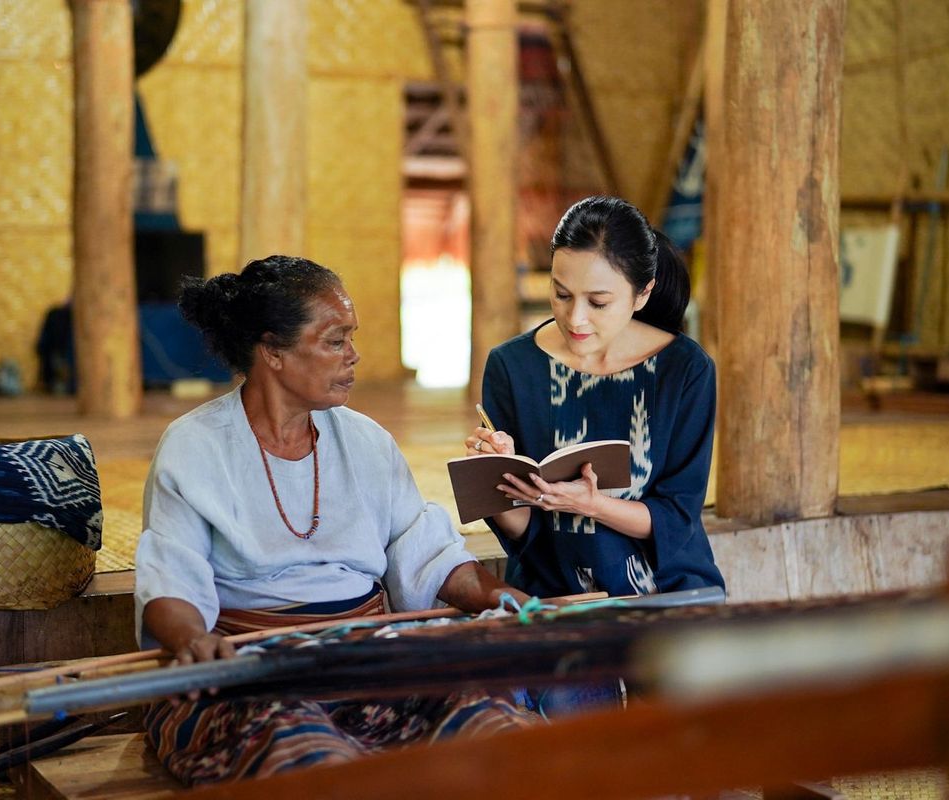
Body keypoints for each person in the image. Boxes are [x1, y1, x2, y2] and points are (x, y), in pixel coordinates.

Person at [135, 255, 535, 786]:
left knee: (494, 728)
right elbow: (171, 571)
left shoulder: (367, 442)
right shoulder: (194, 447)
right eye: (334, 341)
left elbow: (425, 552)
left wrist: (501, 600)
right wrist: (193, 638)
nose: (354, 356)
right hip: (255, 669)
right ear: (272, 350)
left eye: (352, 338)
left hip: (365, 657)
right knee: (304, 754)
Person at [465, 197, 724, 712]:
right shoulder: (512, 367)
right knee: (568, 738)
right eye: (560, 294)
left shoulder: (685, 370)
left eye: (598, 302)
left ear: (642, 292)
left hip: (665, 590)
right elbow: (527, 539)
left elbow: (676, 517)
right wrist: (499, 477)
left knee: (676, 739)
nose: (574, 318)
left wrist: (590, 504)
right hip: (557, 593)